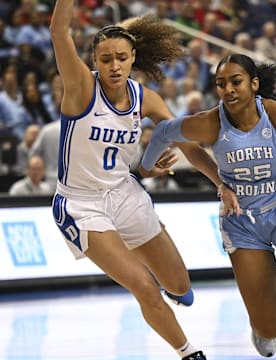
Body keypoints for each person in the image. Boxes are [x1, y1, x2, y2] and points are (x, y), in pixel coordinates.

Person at [140, 53, 276, 357]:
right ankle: (261, 328)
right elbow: (164, 131)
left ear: (254, 84)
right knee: (270, 327)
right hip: (241, 222)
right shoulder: (210, 123)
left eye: (236, 81)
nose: (228, 89)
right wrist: (146, 167)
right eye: (221, 84)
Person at [49, 1, 230, 359]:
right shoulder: (81, 88)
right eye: (105, 59)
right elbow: (59, 31)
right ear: (94, 63)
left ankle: (143, 269)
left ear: (133, 58)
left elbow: (188, 147)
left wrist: (220, 183)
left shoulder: (145, 99)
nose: (113, 66)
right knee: (145, 287)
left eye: (120, 57)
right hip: (81, 204)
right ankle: (189, 352)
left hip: (126, 195)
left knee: (180, 286)